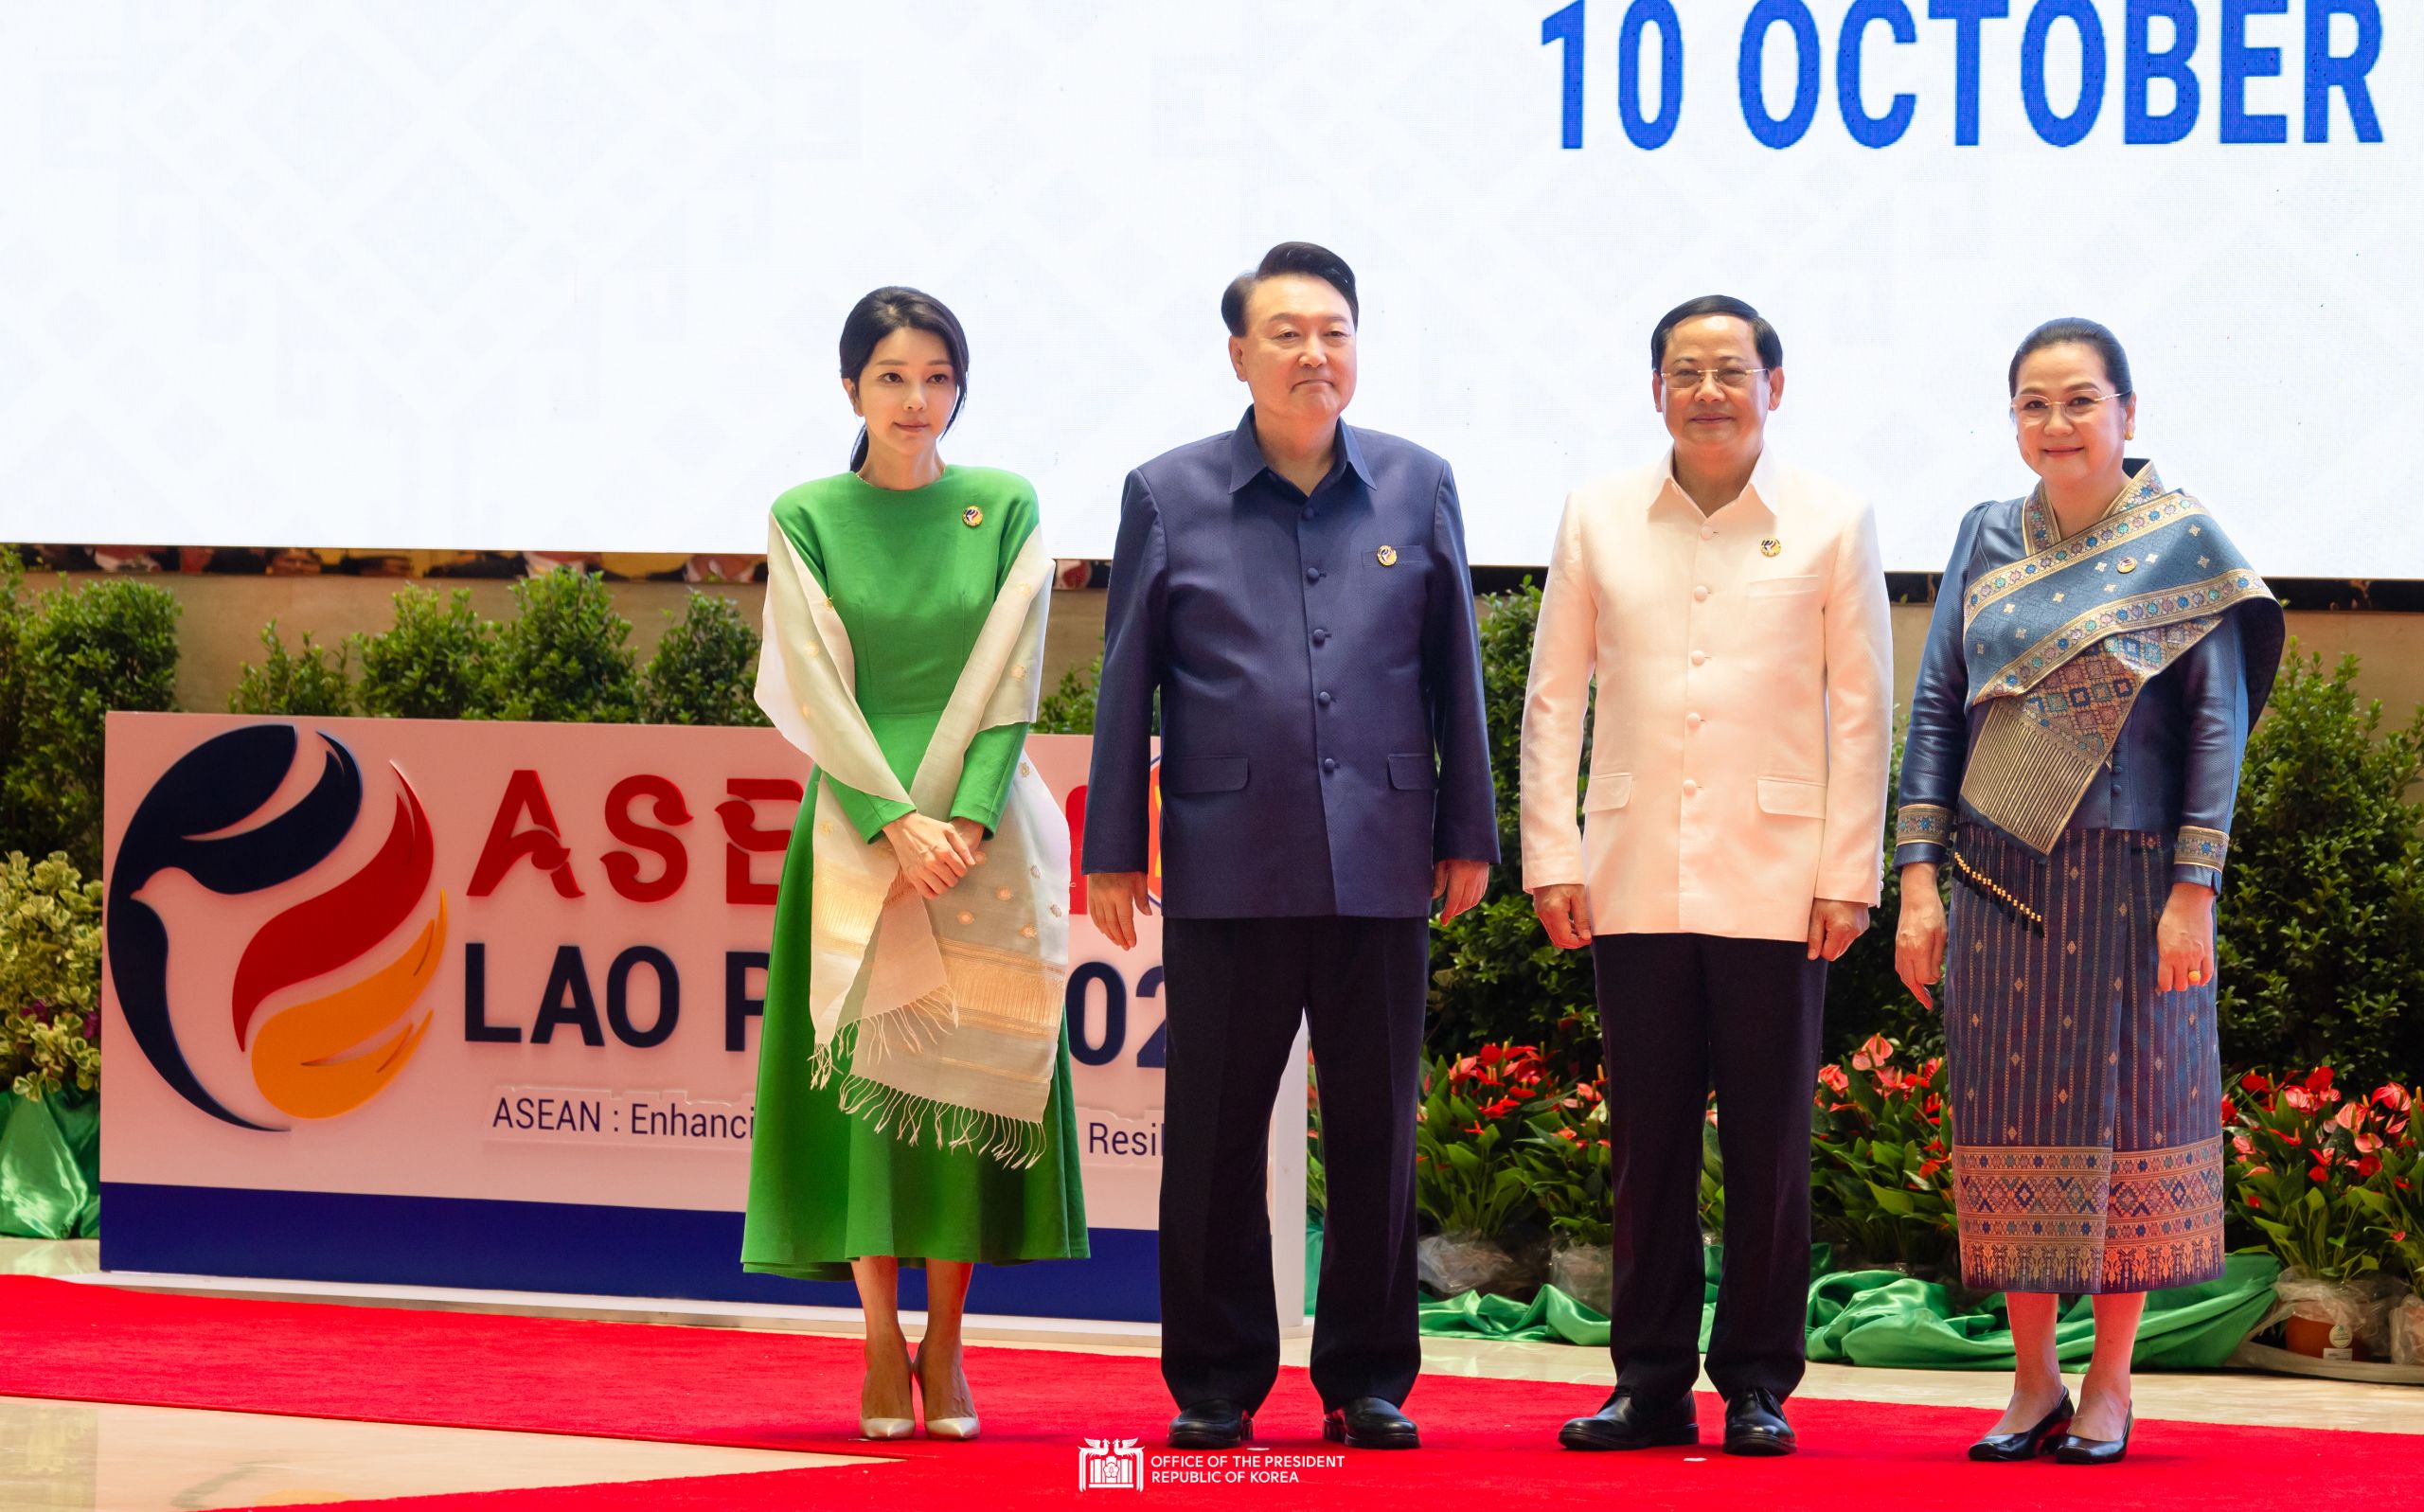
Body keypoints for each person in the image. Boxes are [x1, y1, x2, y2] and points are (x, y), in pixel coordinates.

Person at [1084, 241, 1496, 1452]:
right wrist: (1115, 846)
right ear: (1238, 355)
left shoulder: (1418, 486)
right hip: (1224, 858)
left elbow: (1452, 671)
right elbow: (1126, 685)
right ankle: (1213, 1381)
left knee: (1376, 1125)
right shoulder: (1168, 492)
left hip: (1381, 855)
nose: (1314, 353)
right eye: (1286, 333)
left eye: (1334, 331)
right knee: (1211, 1129)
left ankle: (1368, 1377)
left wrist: (1467, 826)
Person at [1893, 318, 2282, 1465]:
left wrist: (2193, 890)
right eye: (2032, 404)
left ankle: (2109, 1385)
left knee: (2130, 1123)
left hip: (2133, 881)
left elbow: (2216, 724)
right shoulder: (1982, 535)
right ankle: (2031, 1383)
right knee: (2008, 1124)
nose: (2055, 424)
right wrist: (1917, 882)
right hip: (1995, 878)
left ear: (2126, 412)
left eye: (2078, 400)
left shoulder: (2180, 545)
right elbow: (1934, 710)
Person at [1520, 294, 1892, 1457]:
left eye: (1732, 370)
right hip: (1629, 870)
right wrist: (1551, 852)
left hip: (1780, 880)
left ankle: (1759, 1382)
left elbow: (1860, 706)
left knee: (1770, 1141)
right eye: (1686, 371)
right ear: (1655, 391)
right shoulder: (1598, 516)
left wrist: (1849, 871)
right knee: (1648, 1139)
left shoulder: (1832, 519)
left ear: (1773, 386)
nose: (1709, 391)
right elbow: (1552, 697)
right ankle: (1647, 1381)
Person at [743, 286, 1086, 1443]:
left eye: (936, 376)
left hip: (980, 848)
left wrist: (967, 821)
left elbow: (1011, 679)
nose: (915, 398)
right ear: (852, 389)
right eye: (890, 377)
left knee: (962, 1087)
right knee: (872, 1105)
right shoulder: (807, 514)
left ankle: (948, 1343)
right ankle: (880, 1339)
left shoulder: (1004, 504)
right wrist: (894, 822)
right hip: (855, 838)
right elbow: (812, 692)